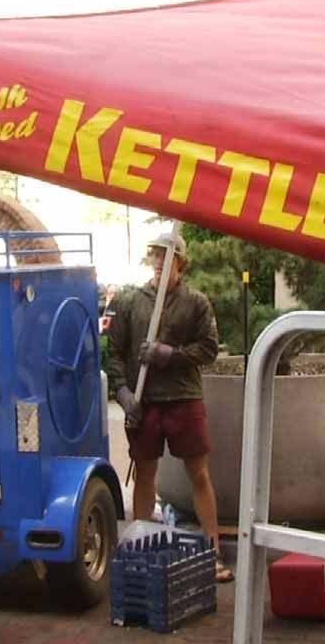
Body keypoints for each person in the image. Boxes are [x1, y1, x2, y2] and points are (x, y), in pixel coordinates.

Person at [105, 232, 231, 583]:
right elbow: (114, 352)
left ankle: (212, 553)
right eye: (155, 256)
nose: (160, 262)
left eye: (168, 256)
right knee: (145, 475)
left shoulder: (195, 302)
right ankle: (139, 551)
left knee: (199, 475)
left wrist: (169, 355)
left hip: (183, 399)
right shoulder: (131, 302)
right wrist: (124, 393)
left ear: (181, 262)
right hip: (144, 405)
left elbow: (207, 349)